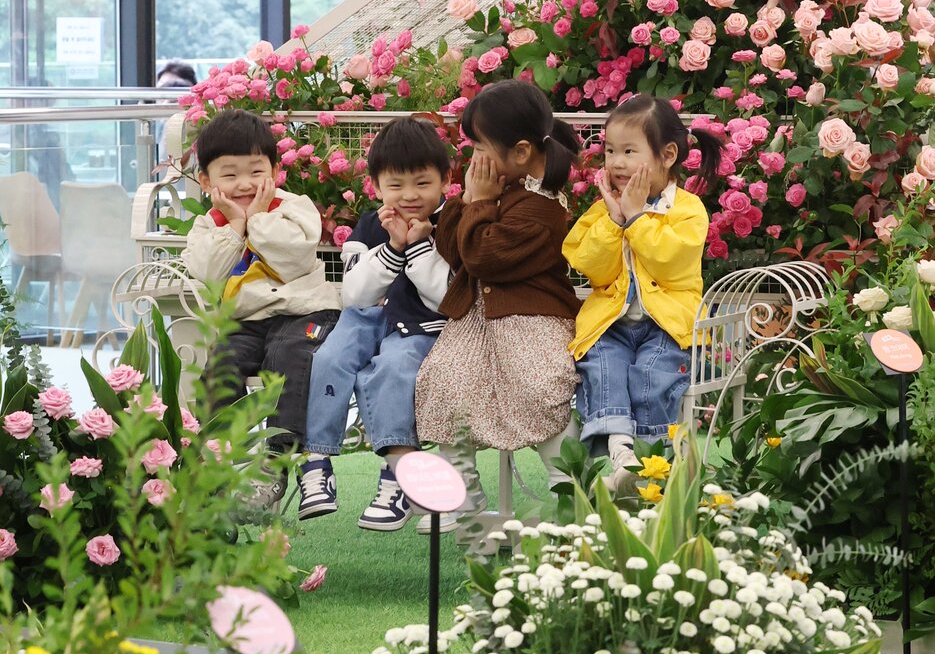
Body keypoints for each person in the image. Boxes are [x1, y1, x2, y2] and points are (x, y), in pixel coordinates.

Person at [415, 79, 579, 526]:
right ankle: (461, 497)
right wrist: (471, 200)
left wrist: (482, 202)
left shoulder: (543, 208)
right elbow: (456, 250)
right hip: (479, 322)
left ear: (521, 151)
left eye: (479, 147)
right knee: (444, 379)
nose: (474, 159)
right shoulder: (505, 188)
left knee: (540, 385)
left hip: (534, 319)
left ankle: (570, 490)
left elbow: (483, 257)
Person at [180, 109, 339, 511]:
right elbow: (208, 272)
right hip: (245, 321)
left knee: (289, 355)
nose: (244, 184)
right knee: (221, 367)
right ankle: (218, 461)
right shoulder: (208, 225)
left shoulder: (294, 207)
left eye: (255, 171)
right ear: (206, 181)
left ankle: (276, 460)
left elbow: (293, 256)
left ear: (275, 172)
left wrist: (257, 218)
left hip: (303, 312)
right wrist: (235, 226)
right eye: (229, 175)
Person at [297, 118, 452, 530]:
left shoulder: (452, 225)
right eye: (396, 185)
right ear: (377, 186)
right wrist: (393, 245)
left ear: (446, 180)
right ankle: (316, 461)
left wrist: (416, 245)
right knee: (328, 356)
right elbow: (355, 295)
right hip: (365, 317)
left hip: (420, 325)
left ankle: (397, 474)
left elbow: (444, 298)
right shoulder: (369, 225)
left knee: (394, 368)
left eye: (422, 183)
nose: (409, 195)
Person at [564, 94, 720, 487]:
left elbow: (671, 261)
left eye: (629, 151)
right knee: (603, 368)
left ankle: (651, 462)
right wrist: (614, 220)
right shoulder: (604, 210)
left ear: (667, 155)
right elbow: (588, 265)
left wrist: (636, 218)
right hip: (612, 325)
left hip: (667, 326)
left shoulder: (687, 209)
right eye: (610, 151)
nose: (616, 162)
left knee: (652, 374)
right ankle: (622, 456)